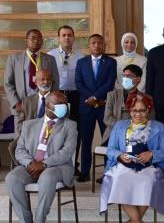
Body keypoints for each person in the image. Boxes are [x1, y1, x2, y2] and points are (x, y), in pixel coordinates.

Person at [6, 91, 78, 223]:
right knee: (12, 178)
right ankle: (25, 222)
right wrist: (30, 163)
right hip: (31, 166)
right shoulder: (29, 125)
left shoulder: (70, 125)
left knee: (47, 176)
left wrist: (43, 164)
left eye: (64, 104)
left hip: (58, 167)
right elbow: (19, 150)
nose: (63, 107)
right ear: (47, 105)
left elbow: (66, 152)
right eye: (58, 104)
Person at [100, 94, 164, 223]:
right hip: (124, 164)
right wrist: (120, 155)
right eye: (134, 110)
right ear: (129, 111)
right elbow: (110, 150)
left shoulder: (159, 127)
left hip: (151, 166)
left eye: (142, 110)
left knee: (149, 181)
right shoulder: (119, 126)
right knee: (119, 179)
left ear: (148, 110)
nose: (137, 114)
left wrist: (151, 154)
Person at [74, 34, 117, 182]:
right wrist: (90, 98)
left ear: (104, 45)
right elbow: (78, 83)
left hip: (104, 106)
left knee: (107, 140)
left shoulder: (111, 62)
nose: (97, 45)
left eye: (99, 42)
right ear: (89, 45)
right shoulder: (81, 62)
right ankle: (85, 172)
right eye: (93, 43)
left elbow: (110, 82)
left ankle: (107, 172)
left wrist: (95, 97)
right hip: (86, 107)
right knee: (86, 141)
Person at [4, 28, 58, 134]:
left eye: (39, 39)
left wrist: (50, 102)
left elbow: (55, 82)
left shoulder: (50, 59)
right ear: (26, 41)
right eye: (33, 38)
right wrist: (16, 103)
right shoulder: (14, 58)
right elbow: (8, 83)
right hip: (22, 105)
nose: (36, 40)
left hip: (43, 106)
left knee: (43, 137)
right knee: (21, 137)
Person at [102, 64, 152, 142]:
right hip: (114, 134)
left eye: (129, 76)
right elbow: (107, 118)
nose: (125, 78)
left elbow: (150, 120)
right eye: (124, 76)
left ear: (138, 79)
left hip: (137, 135)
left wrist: (134, 130)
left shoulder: (147, 98)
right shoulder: (112, 95)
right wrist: (125, 129)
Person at [48, 25, 85, 124]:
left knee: (75, 123)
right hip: (56, 94)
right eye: (63, 35)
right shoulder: (50, 55)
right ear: (58, 38)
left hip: (75, 95)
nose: (66, 37)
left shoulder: (81, 57)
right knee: (57, 124)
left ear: (73, 38)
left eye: (69, 35)